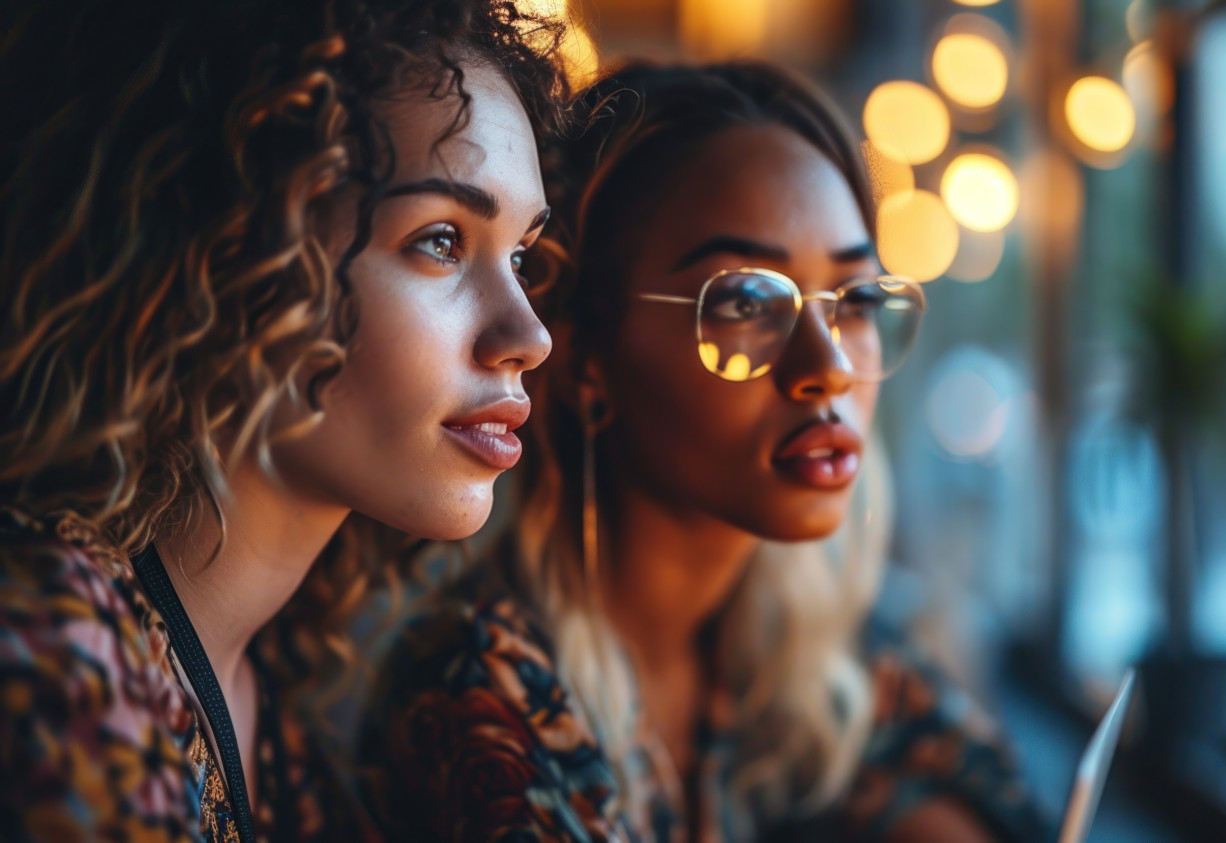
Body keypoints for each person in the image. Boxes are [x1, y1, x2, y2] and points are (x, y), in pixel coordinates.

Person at [363, 61, 1049, 842]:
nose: (827, 366)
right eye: (748, 302)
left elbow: (1002, 802)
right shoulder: (477, 696)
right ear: (589, 356)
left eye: (854, 300)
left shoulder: (807, 646)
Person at [0, 1, 563, 839]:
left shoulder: (288, 704)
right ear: (227, 253)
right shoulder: (49, 635)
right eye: (441, 240)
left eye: (521, 257)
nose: (530, 337)